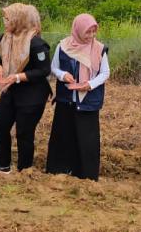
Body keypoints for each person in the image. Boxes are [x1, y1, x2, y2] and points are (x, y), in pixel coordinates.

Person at [46, 13, 109, 181]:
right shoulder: (63, 46)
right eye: (88, 32)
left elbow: (105, 73)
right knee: (64, 135)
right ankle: (60, 170)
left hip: (88, 101)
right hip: (66, 100)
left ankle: (86, 174)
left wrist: (90, 84)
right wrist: (63, 75)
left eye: (94, 32)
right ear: (78, 30)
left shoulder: (99, 49)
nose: (91, 36)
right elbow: (54, 67)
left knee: (87, 140)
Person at [0, 3, 51, 174]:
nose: (4, 21)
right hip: (10, 90)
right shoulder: (4, 39)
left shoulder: (36, 43)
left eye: (8, 18)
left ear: (19, 20)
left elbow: (44, 70)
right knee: (0, 125)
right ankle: (3, 165)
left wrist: (17, 77)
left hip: (32, 94)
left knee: (24, 132)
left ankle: (24, 169)